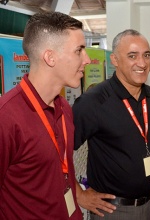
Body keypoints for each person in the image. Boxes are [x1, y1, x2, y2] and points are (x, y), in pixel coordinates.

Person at [0, 12, 90, 219]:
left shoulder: (65, 108)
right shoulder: (6, 118)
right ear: (50, 57)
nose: (87, 59)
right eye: (79, 51)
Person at [73, 29, 150, 220]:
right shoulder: (93, 102)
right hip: (113, 210)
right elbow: (56, 151)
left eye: (146, 55)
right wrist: (78, 194)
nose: (142, 63)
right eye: (132, 56)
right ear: (114, 60)